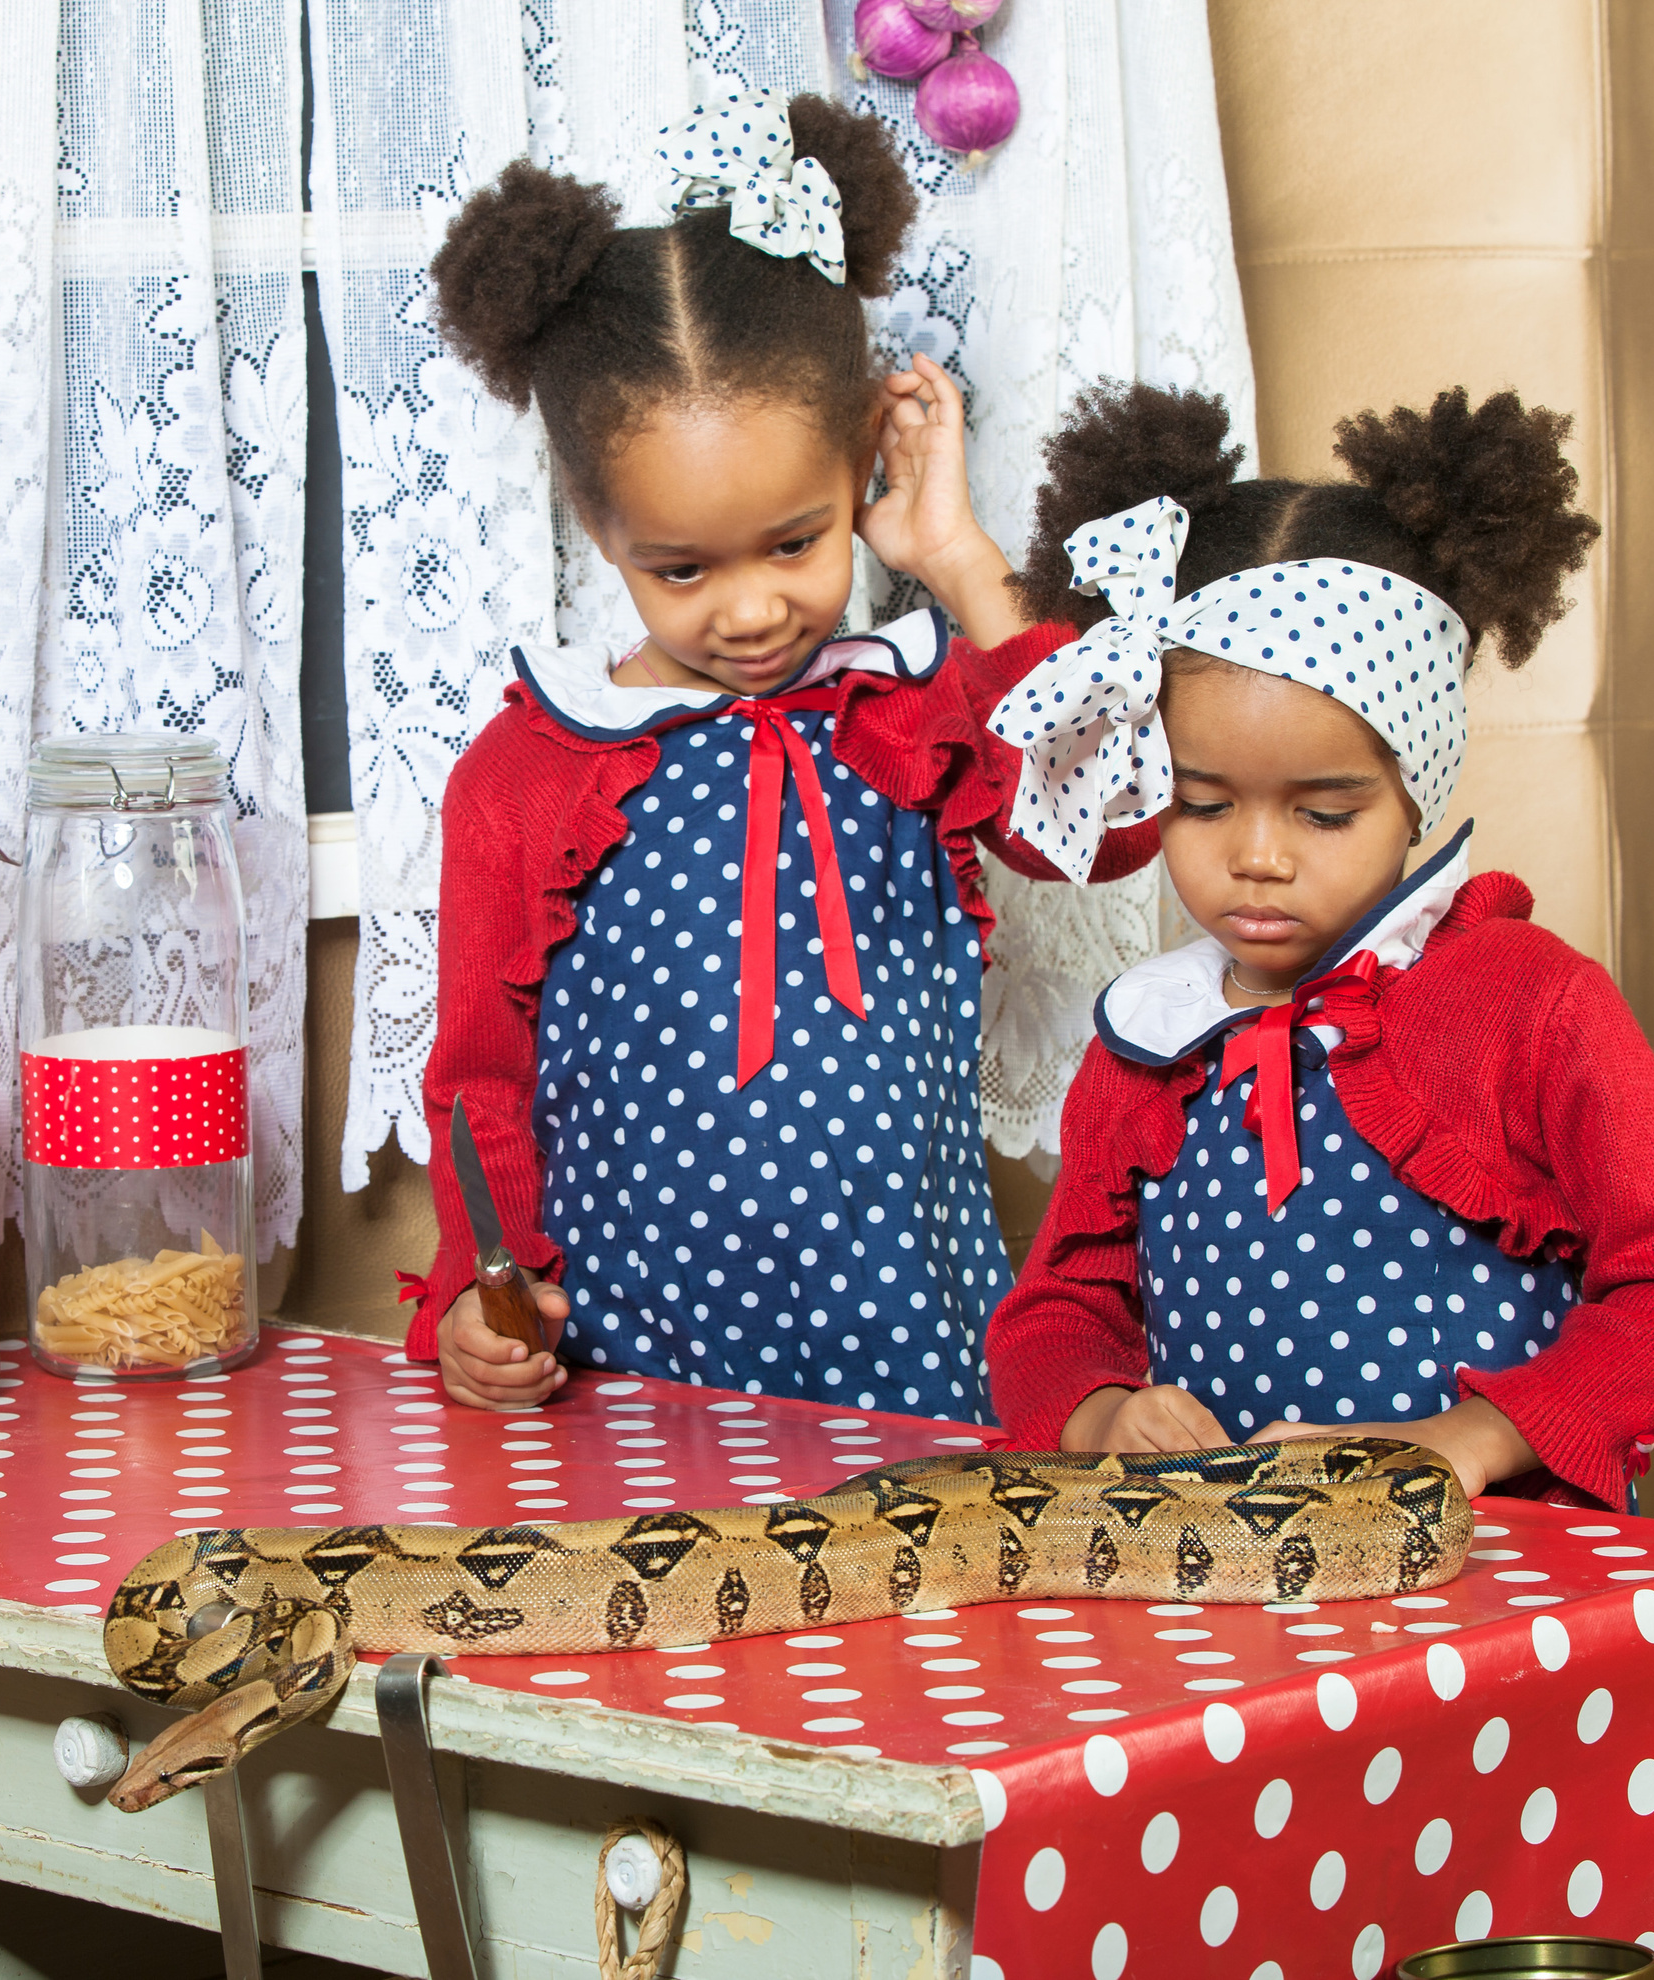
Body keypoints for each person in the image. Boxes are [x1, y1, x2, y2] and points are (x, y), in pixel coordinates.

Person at [409, 90, 1154, 1416]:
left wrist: (961, 563)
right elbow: (480, 1082)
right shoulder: (528, 773)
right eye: (682, 567)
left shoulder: (913, 713)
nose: (751, 610)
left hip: (921, 1381)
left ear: (863, 461)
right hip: (631, 1401)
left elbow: (1104, 829)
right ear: (596, 522)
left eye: (797, 543)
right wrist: (482, 1295)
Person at [980, 382, 1654, 1509]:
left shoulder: (1533, 1003)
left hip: (1493, 1580)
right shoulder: (1147, 1037)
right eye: (1201, 805)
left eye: (1323, 814)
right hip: (1219, 1579)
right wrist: (1101, 1412)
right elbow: (1055, 1309)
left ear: (1412, 790)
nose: (1257, 859)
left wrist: (1466, 1441)